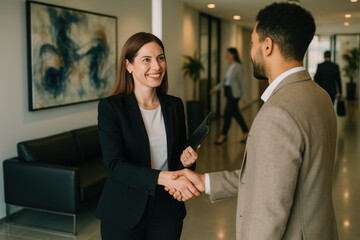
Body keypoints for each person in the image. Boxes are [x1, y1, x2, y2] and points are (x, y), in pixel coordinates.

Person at [167, 2, 339, 239]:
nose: (251, 50)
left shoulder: (278, 113)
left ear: (267, 46)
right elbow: (269, 177)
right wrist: (205, 182)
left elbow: (268, 211)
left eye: (252, 42)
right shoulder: (321, 96)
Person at [94, 32, 201, 240]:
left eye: (161, 58)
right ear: (129, 66)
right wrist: (163, 177)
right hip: (123, 209)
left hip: (167, 209)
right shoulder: (111, 108)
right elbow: (114, 165)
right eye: (146, 60)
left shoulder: (174, 106)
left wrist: (187, 162)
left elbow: (178, 161)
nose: (157, 66)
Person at [210, 48, 249, 144]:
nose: (227, 56)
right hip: (228, 92)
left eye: (228, 54)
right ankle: (246, 132)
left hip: (234, 94)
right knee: (236, 114)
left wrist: (244, 96)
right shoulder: (229, 66)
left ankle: (223, 135)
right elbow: (225, 81)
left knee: (227, 113)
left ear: (233, 55)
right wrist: (216, 88)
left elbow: (240, 82)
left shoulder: (238, 67)